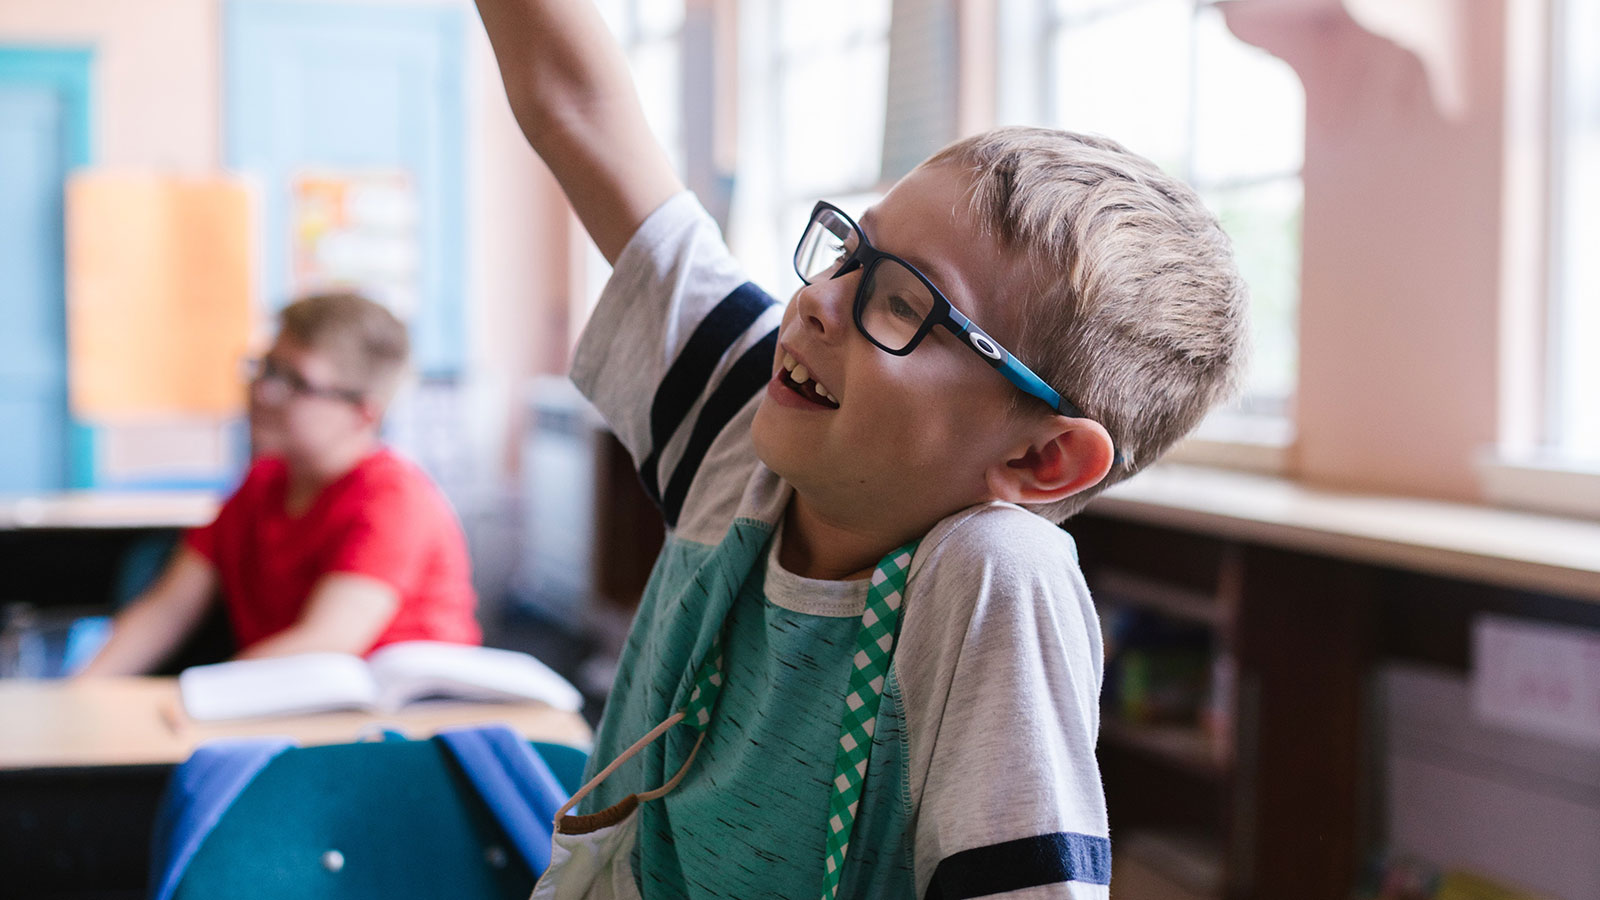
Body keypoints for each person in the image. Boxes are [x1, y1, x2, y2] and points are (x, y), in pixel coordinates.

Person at [475, 0, 1247, 896]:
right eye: (851, 252)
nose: (816, 302)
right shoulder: (744, 431)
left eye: (903, 302)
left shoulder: (993, 573)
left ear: (1042, 461)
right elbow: (574, 107)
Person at [80, 292, 480, 676]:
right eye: (266, 368)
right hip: (289, 713)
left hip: (409, 726)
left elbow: (326, 642)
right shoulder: (262, 484)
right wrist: (79, 693)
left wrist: (200, 696)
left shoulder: (392, 497)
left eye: (296, 382)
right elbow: (166, 610)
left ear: (363, 414)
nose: (263, 391)